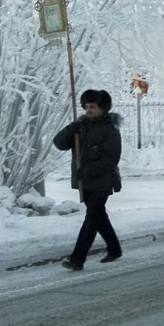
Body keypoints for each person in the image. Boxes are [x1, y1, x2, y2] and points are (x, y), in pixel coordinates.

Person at [54, 89, 123, 270]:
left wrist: (87, 172)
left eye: (92, 107)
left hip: (102, 182)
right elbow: (59, 144)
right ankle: (114, 249)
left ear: (102, 108)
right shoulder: (81, 126)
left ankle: (77, 259)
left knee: (91, 221)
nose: (88, 110)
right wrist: (70, 130)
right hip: (84, 183)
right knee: (99, 217)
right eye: (86, 107)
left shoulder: (110, 130)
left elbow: (110, 160)